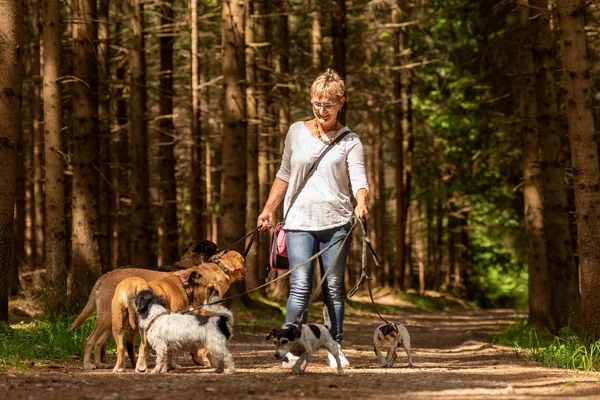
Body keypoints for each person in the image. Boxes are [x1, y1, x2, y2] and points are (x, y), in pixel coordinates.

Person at [257, 68, 369, 368]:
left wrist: (361, 203)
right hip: (298, 223)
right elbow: (284, 173)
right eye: (317, 103)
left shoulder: (350, 141)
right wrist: (269, 209)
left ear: (341, 103)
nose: (322, 110)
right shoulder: (295, 132)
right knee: (301, 285)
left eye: (328, 104)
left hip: (336, 224)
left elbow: (359, 179)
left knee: (333, 287)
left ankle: (336, 347)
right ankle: (292, 347)